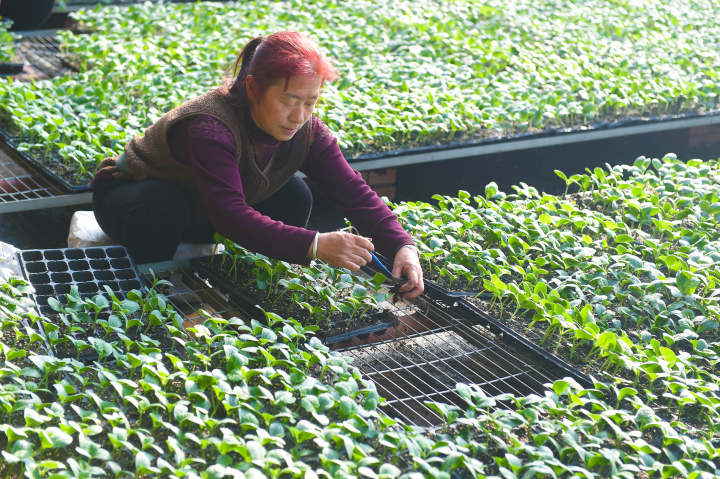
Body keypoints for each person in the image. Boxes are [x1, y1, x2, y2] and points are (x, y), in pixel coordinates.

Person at [92, 31, 424, 299]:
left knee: (294, 194)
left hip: (201, 211)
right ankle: (148, 290)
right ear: (253, 87)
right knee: (164, 203)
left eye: (310, 102)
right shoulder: (209, 126)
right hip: (134, 205)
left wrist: (402, 245)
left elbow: (352, 190)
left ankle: (248, 290)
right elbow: (229, 214)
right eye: (289, 100)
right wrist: (314, 244)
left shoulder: (306, 130)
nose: (299, 116)